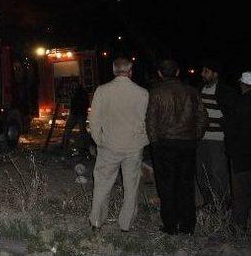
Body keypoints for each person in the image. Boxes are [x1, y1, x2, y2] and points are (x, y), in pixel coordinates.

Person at [146, 59, 208, 235]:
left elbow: (151, 121)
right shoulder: (191, 91)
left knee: (166, 185)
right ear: (178, 72)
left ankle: (171, 226)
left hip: (164, 144)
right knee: (186, 185)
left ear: (159, 73)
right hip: (187, 144)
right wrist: (195, 136)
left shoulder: (156, 92)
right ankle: (188, 226)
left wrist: (154, 142)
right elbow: (203, 117)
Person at [88, 57, 149, 232]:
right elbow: (147, 121)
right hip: (133, 146)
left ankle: (96, 221)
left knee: (102, 183)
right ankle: (125, 224)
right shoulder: (142, 93)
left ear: (114, 71)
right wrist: (143, 139)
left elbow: (94, 119)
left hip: (109, 145)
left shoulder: (102, 91)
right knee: (131, 186)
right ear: (130, 71)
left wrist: (98, 139)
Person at [197, 60, 236, 207]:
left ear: (215, 73)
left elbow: (233, 114)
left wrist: (224, 125)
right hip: (201, 138)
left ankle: (222, 205)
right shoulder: (200, 89)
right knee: (202, 172)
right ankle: (209, 203)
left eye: (206, 71)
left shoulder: (225, 91)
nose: (202, 74)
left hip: (218, 139)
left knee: (218, 173)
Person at [228, 71, 251, 231]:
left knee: (241, 193)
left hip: (241, 155)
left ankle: (239, 226)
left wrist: (229, 150)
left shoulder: (239, 103)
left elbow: (232, 130)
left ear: (242, 84)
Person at [62, 81, 90, 150]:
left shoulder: (80, 92)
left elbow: (83, 103)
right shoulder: (77, 92)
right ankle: (65, 145)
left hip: (79, 113)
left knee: (81, 130)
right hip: (76, 113)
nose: (73, 86)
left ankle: (85, 145)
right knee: (70, 129)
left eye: (74, 85)